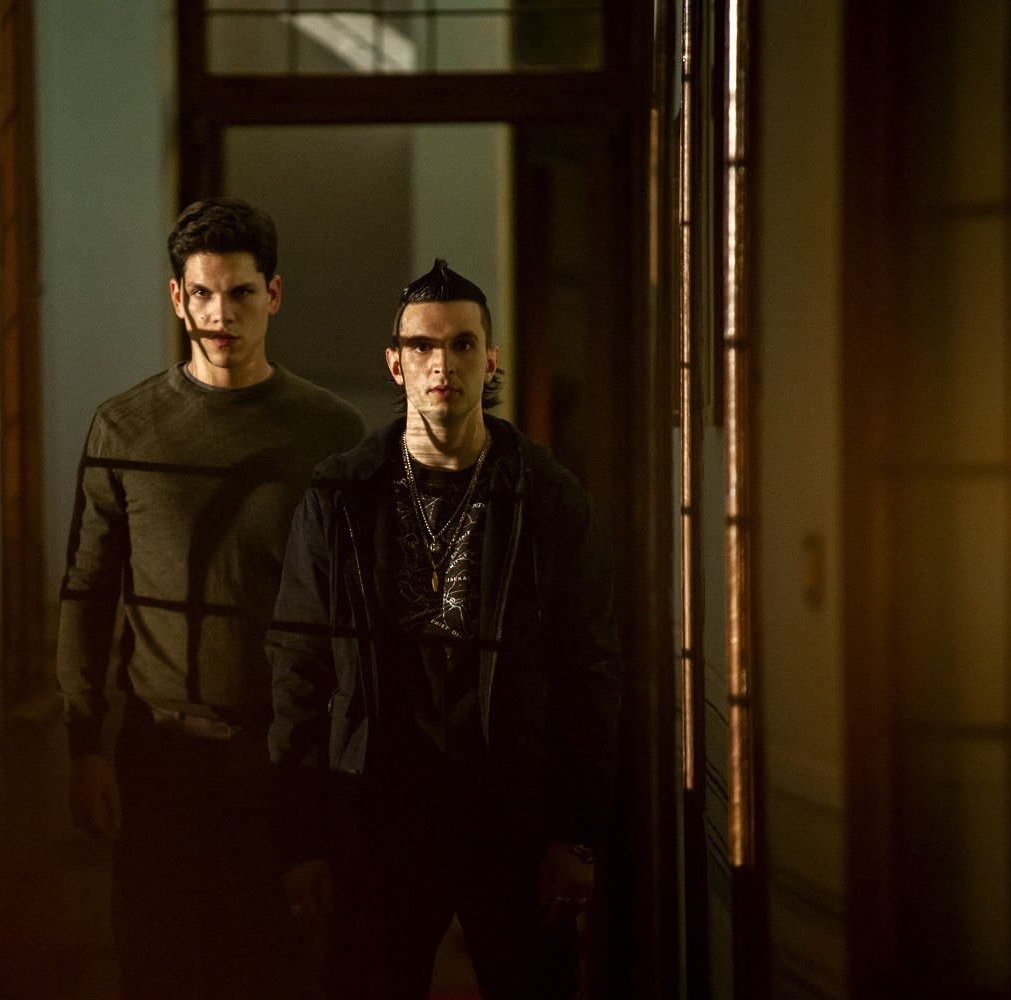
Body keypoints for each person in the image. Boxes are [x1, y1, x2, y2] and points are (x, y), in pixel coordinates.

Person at [268, 260, 622, 999]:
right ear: (395, 362)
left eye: (462, 344)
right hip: (380, 812)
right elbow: (299, 665)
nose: (443, 363)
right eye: (423, 346)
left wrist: (576, 833)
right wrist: (301, 835)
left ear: (489, 361)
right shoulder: (342, 495)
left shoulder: (547, 498)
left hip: (510, 813)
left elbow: (588, 673)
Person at [56, 198, 365, 999]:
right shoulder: (125, 427)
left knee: (276, 970)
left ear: (274, 295)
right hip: (160, 753)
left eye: (239, 293)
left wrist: (341, 777)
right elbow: (87, 588)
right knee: (157, 967)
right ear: (177, 298)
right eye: (202, 294)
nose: (220, 314)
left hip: (282, 756)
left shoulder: (328, 434)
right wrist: (84, 741)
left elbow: (357, 617)